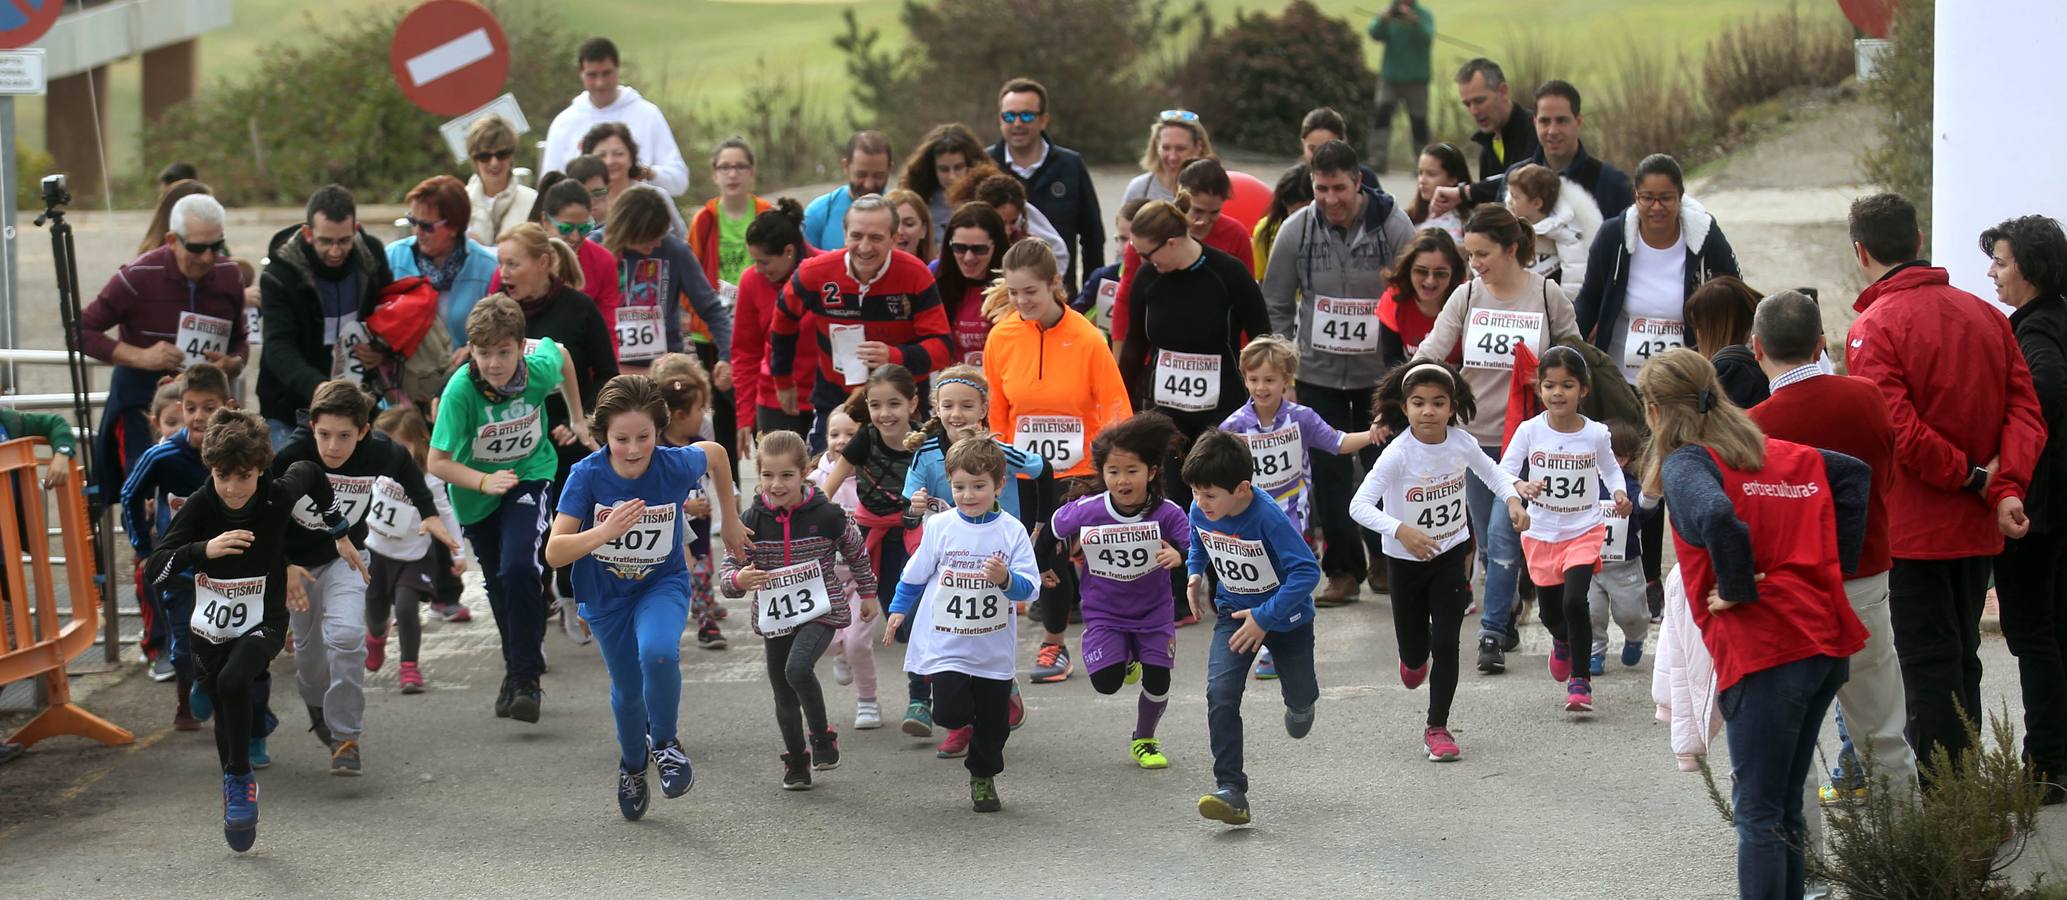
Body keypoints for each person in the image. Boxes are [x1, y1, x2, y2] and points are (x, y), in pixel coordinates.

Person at [1640, 347, 1871, 900]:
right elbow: (1856, 477)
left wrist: (1739, 588)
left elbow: (1719, 517)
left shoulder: (1688, 464)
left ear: (1653, 410)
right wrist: (1831, 568)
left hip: (1767, 650)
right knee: (1784, 807)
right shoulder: (1779, 454)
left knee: (1761, 815)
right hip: (1824, 644)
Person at [1846, 193, 2045, 777]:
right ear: (1918, 239)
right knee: (1962, 662)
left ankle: (1943, 808)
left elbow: (1898, 431)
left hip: (1915, 529)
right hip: (1978, 526)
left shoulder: (1874, 326)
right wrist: (2003, 485)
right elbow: (2025, 411)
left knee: (1928, 667)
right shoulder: (1985, 315)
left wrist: (1977, 478)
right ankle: (1964, 795)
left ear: (1861, 251)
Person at [145, 408, 359, 852]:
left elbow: (315, 475)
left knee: (234, 679)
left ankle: (239, 782)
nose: (233, 488)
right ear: (212, 469)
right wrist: (205, 548)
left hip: (264, 618)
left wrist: (339, 530)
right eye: (224, 476)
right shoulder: (203, 504)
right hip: (209, 626)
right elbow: (155, 570)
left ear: (261, 470)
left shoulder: (278, 494)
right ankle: (234, 781)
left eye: (244, 476)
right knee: (224, 695)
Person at [1746, 288, 1920, 800]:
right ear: (1822, 343)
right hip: (1865, 576)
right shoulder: (1867, 396)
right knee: (1884, 730)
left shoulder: (1756, 426)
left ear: (1757, 348)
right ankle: (1907, 859)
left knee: (1792, 744)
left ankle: (1805, 876)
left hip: (1793, 589)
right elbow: (1885, 477)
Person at [545, 375, 743, 819]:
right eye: (621, 439)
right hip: (606, 596)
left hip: (663, 583)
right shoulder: (586, 475)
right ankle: (633, 766)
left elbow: (716, 454)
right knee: (628, 691)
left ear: (659, 429)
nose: (633, 449)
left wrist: (729, 519)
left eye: (644, 437)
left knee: (657, 652)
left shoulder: (671, 465)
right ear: (603, 435)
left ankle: (667, 744)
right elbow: (555, 552)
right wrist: (604, 532)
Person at [1413, 204, 1582, 673]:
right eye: (1471, 255)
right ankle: (1506, 612)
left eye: (1483, 254)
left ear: (1512, 249)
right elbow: (1431, 349)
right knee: (1486, 543)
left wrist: (1548, 380)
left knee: (1502, 537)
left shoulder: (1548, 296)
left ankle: (1489, 633)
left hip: (1526, 440)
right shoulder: (1466, 296)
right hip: (1472, 436)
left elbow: (1576, 357)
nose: (1476, 264)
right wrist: (1404, 389)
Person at [272, 381, 458, 775]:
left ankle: (346, 737)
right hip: (296, 566)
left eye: (344, 436)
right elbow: (265, 514)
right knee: (309, 657)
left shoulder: (379, 452)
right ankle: (318, 706)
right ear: (313, 427)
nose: (332, 447)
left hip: (347, 557)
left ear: (363, 432)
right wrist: (284, 563)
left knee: (346, 636)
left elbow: (409, 469)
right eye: (324, 435)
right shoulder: (292, 455)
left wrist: (427, 513)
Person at [426, 296, 594, 723]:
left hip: (530, 474)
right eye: (484, 354)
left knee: (520, 566)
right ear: (472, 352)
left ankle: (526, 678)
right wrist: (484, 480)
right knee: (501, 584)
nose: (495, 364)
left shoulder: (537, 370)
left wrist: (577, 416)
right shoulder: (461, 392)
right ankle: (515, 671)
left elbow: (564, 354)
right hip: (475, 493)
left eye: (504, 352)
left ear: (520, 347)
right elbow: (437, 462)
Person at [1261, 140, 1414, 604]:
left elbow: (1414, 287)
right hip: (1319, 375)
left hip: (1379, 375)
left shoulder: (1393, 226)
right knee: (1326, 472)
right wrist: (1282, 369)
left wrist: (1407, 361)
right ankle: (1342, 569)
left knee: (1382, 465)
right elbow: (1278, 301)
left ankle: (1384, 556)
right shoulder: (1296, 230)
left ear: (1358, 182)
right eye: (1321, 188)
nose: (1330, 199)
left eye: (1340, 188)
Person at [1352, 360, 1528, 760]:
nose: (1428, 411)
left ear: (1452, 407)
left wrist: (1513, 500)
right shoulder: (1397, 454)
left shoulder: (1462, 443)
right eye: (1418, 403)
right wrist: (1401, 531)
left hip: (1450, 556)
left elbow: (1494, 474)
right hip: (1405, 562)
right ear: (1405, 407)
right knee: (1415, 657)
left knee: (1448, 641)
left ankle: (1438, 727)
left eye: (1437, 402)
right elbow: (1358, 505)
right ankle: (1414, 657)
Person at [1118, 194, 1274, 625]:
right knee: (1169, 497)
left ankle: (1233, 588)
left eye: (1147, 253)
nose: (1143, 262)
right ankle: (1178, 592)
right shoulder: (1149, 280)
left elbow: (1262, 337)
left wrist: (1267, 397)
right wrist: (1127, 407)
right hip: (1165, 407)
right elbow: (1134, 345)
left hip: (1219, 406)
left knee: (1218, 494)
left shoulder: (1228, 274)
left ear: (1172, 241)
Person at [985, 239, 1135, 676]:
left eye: (1030, 291)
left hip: (1081, 469)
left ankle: (1115, 636)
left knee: (1091, 555)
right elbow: (997, 410)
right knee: (1043, 553)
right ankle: (1055, 645)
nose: (1021, 301)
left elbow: (1114, 406)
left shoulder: (1088, 339)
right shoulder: (1002, 337)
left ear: (1055, 284)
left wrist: (1117, 471)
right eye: (1013, 292)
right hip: (1025, 470)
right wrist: (995, 465)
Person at [882, 437, 1040, 812]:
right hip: (947, 641)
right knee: (949, 713)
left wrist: (1005, 580)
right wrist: (897, 610)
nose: (968, 495)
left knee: (994, 725)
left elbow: (1030, 588)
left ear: (999, 485)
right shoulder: (939, 525)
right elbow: (914, 573)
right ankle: (968, 722)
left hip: (992, 646)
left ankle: (982, 777)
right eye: (959, 487)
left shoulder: (1012, 530)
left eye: (978, 486)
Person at [897, 365, 1048, 736]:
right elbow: (906, 512)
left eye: (966, 406)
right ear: (936, 408)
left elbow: (1042, 468)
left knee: (980, 630)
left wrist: (1039, 524)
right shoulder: (926, 454)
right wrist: (914, 509)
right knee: (925, 621)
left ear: (983, 410)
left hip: (993, 557)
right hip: (942, 552)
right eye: (948, 405)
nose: (956, 414)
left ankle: (999, 684)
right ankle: (924, 701)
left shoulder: (997, 451)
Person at [723, 428, 875, 789]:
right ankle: (796, 762)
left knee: (797, 668)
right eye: (768, 475)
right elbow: (730, 567)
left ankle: (822, 735)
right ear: (758, 474)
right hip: (776, 615)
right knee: (782, 688)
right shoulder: (751, 520)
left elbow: (855, 549)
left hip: (821, 609)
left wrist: (867, 592)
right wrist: (739, 581)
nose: (776, 485)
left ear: (803, 473)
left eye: (787, 475)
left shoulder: (826, 513)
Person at [1184, 429, 1322, 825]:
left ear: (1242, 489)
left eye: (1209, 495)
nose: (1200, 502)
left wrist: (1266, 617)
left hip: (1288, 621)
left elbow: (1306, 572)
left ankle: (1301, 702)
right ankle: (1231, 789)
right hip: (1234, 616)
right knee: (1220, 693)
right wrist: (1195, 573)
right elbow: (1198, 538)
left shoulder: (1268, 517)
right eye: (1195, 492)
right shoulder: (1201, 509)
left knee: (1299, 694)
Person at [80, 192, 249, 515]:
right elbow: (80, 330)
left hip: (205, 413)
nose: (207, 256)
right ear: (172, 240)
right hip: (145, 408)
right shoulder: (138, 276)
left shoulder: (229, 275)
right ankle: (146, 559)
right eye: (197, 247)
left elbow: (241, 340)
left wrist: (233, 362)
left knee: (206, 501)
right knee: (144, 499)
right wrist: (139, 356)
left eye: (217, 246)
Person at [1050, 412, 1192, 768]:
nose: (1122, 480)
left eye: (1132, 471)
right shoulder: (1087, 510)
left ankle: (1144, 739)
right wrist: (1048, 564)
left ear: (1152, 472)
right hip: (1105, 613)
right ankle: (1127, 658)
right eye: (1113, 472)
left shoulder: (1168, 513)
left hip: (1154, 612)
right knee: (1107, 683)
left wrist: (1179, 554)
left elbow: (1197, 545)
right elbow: (1052, 529)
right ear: (1102, 474)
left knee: (1158, 680)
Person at [501, 222, 622, 639]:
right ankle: (533, 616)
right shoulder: (501, 311)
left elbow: (607, 374)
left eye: (514, 264)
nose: (505, 273)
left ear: (545, 263)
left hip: (572, 439)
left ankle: (571, 594)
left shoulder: (578, 309)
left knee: (565, 523)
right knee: (524, 533)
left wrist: (584, 419)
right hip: (518, 440)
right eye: (501, 264)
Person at [1983, 216, 2067, 803]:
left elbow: (2045, 394)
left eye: (2003, 262)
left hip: (2039, 510)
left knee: (2034, 633)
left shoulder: (2035, 333)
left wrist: (2005, 462)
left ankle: (2047, 766)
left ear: (2031, 269)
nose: (1993, 272)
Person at [1500, 346, 1630, 713]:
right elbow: (1505, 470)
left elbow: (1610, 469)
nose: (1558, 393)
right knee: (1551, 614)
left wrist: (1618, 491)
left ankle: (1581, 682)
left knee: (1576, 602)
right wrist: (1520, 488)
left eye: (1567, 385)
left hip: (1583, 529)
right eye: (1550, 385)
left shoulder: (1596, 434)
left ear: (1583, 390)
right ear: (1539, 389)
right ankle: (1562, 641)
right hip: (1541, 533)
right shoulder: (1529, 431)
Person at [769, 195, 952, 441]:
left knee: (904, 477)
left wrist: (894, 357)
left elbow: (942, 348)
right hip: (836, 397)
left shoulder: (916, 275)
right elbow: (782, 321)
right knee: (824, 474)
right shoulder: (814, 273)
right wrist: (782, 380)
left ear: (894, 238)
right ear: (844, 235)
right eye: (856, 236)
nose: (864, 247)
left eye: (876, 237)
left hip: (901, 401)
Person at [1222, 336, 1381, 611]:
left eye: (1269, 380)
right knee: (1261, 587)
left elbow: (1338, 442)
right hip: (1249, 518)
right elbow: (1217, 468)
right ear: (1245, 379)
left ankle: (1289, 638)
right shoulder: (1234, 426)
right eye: (1254, 379)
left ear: (1287, 380)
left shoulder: (1302, 417)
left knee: (1292, 585)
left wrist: (1373, 434)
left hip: (1292, 517)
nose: (1261, 387)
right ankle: (1267, 639)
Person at [122, 365, 231, 730]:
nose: (199, 417)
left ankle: (241, 711)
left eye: (209, 408)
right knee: (183, 645)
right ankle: (189, 689)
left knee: (230, 643)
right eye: (191, 408)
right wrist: (143, 547)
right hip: (180, 569)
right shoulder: (163, 456)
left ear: (227, 407)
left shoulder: (239, 451)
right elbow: (129, 496)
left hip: (230, 570)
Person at [1573, 153, 1742, 386]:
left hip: (1686, 384)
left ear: (1680, 197)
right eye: (1647, 198)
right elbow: (1589, 299)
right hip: (1622, 384)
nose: (1656, 207)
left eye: (1666, 198)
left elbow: (1736, 294)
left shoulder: (1705, 236)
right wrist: (1567, 351)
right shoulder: (1613, 236)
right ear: (1636, 197)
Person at [818, 366, 925, 729]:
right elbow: (828, 488)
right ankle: (843, 651)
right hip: (866, 538)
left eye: (894, 403)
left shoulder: (925, 442)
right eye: (876, 404)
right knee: (844, 615)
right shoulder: (865, 439)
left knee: (911, 623)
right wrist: (806, 518)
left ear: (913, 403)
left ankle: (919, 700)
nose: (885, 413)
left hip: (913, 537)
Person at [259, 185, 392, 448]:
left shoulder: (372, 257)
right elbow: (277, 346)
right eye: (325, 241)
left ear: (356, 230)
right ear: (308, 233)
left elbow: (388, 312)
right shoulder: (279, 274)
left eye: (343, 241)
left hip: (358, 403)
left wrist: (381, 349)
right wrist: (318, 388)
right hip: (291, 405)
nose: (335, 251)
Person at [362, 406, 462, 696]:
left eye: (401, 446)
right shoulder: (371, 467)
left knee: (406, 609)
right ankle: (377, 637)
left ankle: (409, 666)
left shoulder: (429, 478)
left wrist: (457, 553)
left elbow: (446, 513)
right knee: (376, 614)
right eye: (387, 445)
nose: (393, 454)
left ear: (419, 442)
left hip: (413, 556)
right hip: (376, 553)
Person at [1437, 80, 1634, 221]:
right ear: (1535, 122)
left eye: (1562, 120)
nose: (1553, 131)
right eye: (1545, 121)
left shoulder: (1612, 183)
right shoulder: (1514, 177)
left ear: (1578, 122)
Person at [601, 187, 732, 377]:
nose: (658, 244)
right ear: (629, 229)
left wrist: (728, 357)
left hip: (665, 373)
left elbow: (711, 308)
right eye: (651, 236)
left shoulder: (675, 251)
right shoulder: (596, 250)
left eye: (661, 235)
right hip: (611, 373)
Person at [990, 77, 1105, 289]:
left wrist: (1092, 294)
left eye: (1026, 115)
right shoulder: (985, 166)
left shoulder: (1070, 165)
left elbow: (1093, 237)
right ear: (1000, 119)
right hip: (999, 296)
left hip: (1059, 294)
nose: (1017, 124)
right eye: (1009, 116)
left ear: (1043, 120)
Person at [649, 352, 730, 652]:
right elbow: (654, 496)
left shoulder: (699, 440)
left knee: (704, 568)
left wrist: (727, 492)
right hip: (673, 525)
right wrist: (685, 508)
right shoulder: (658, 448)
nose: (704, 414)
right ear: (680, 415)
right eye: (700, 408)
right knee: (688, 572)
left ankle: (706, 609)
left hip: (701, 521)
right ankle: (702, 618)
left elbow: (716, 469)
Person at [809, 407, 883, 729]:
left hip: (864, 578)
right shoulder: (813, 481)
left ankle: (867, 701)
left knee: (856, 643)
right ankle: (840, 653)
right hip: (825, 579)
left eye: (850, 434)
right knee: (827, 645)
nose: (841, 441)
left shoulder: (875, 476)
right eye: (834, 434)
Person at [541, 37, 690, 195]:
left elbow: (679, 182)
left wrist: (646, 173)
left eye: (607, 73)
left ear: (617, 67)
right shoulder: (564, 123)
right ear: (581, 73)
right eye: (592, 75)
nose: (600, 83)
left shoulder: (648, 115)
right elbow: (550, 188)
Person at [730, 201, 820, 445]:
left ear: (789, 251)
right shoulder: (751, 281)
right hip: (774, 401)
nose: (757, 269)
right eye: (754, 261)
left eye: (764, 262)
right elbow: (745, 352)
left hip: (823, 399)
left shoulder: (825, 272)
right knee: (778, 482)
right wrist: (745, 416)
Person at [388, 175, 497, 351]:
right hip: (405, 374)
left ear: (454, 227)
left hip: (464, 373)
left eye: (426, 226)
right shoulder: (394, 258)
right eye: (413, 222)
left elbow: (501, 332)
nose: (418, 232)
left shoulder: (487, 269)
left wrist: (473, 348)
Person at [519, 177, 624, 335]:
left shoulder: (603, 260)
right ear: (545, 221)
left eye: (584, 228)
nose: (575, 237)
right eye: (566, 228)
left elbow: (608, 329)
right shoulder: (517, 256)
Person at [1587, 419, 1652, 674]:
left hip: (1624, 563)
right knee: (1591, 611)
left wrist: (1640, 501)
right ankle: (1593, 652)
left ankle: (1635, 637)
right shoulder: (1585, 481)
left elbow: (1644, 507)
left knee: (1631, 613)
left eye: (1620, 456)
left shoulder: (1629, 484)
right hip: (1589, 561)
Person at [687, 137, 771, 296]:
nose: (732, 174)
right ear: (715, 175)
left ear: (752, 172)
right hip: (716, 314)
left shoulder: (767, 215)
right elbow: (689, 274)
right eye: (724, 167)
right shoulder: (704, 219)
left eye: (740, 167)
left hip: (759, 312)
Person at [934, 202, 1011, 372]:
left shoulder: (1014, 287)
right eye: (959, 248)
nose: (968, 257)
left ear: (995, 246)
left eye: (979, 249)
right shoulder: (936, 277)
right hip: (950, 388)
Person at [581, 122, 688, 240]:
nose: (610, 161)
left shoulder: (655, 196)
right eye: (601, 155)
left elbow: (683, 240)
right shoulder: (581, 201)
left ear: (631, 157)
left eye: (619, 154)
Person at [958, 169, 1071, 276]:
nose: (1007, 231)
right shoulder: (965, 240)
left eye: (1013, 222)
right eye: (1001, 222)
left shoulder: (1029, 244)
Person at [1364, 0, 1434, 172]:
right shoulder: (1391, 13)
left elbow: (1427, 38)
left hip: (1416, 79)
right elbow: (1374, 33)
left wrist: (1414, 23)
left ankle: (1422, 161)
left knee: (1418, 121)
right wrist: (1383, 20)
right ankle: (1377, 158)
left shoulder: (1423, 15)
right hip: (1390, 78)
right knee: (1381, 116)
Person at [1378, 228, 1467, 361]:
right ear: (1409, 270)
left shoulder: (1468, 297)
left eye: (1440, 273)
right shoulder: (1394, 297)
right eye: (1421, 271)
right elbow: (1392, 358)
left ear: (1453, 274)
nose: (1430, 281)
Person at [1505, 163, 1600, 287]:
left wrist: (1565, 302)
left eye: (1515, 197)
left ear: (1536, 203)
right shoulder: (1507, 227)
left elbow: (1575, 279)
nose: (1509, 201)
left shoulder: (1565, 234)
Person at [803, 131, 895, 252]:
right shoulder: (818, 213)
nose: (869, 184)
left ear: (889, 169)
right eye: (861, 175)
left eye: (878, 176)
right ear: (846, 166)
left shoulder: (901, 210)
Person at [1685, 276, 1766, 409]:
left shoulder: (1728, 371)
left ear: (1713, 329)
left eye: (1698, 326)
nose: (1697, 335)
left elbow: (1706, 420)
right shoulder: (1765, 359)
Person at [901, 123, 988, 248]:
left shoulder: (987, 198)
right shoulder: (920, 203)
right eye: (944, 169)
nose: (952, 176)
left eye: (958, 167)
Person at [1452, 58, 1535, 182]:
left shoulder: (1535, 132)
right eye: (1467, 104)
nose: (1473, 111)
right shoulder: (1487, 147)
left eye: (1479, 101)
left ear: (1503, 91)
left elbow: (1522, 185)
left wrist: (1467, 192)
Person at [464, 115, 537, 247]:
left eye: (502, 154)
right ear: (474, 159)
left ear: (512, 155)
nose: (494, 163)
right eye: (484, 156)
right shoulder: (459, 202)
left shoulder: (532, 201)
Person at [1175, 159, 1255, 272]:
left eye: (1214, 212)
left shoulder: (1236, 234)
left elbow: (1246, 286)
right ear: (1180, 197)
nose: (1205, 220)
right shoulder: (1160, 229)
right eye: (1198, 211)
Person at [1121, 110, 1214, 204]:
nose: (1172, 157)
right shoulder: (1139, 189)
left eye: (1181, 148)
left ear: (1198, 147)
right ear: (1157, 146)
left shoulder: (1213, 190)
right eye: (1166, 148)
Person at [1294, 108, 1383, 192]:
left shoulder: (1365, 179)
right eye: (1312, 149)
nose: (1319, 156)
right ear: (1303, 145)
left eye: (1327, 148)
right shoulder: (1294, 181)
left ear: (1343, 143)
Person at [1252, 163, 1313, 279]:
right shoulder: (1265, 232)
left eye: (1309, 212)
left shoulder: (1333, 231)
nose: (1303, 219)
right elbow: (1262, 281)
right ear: (1284, 204)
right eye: (1295, 213)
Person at [1407, 143, 1472, 241]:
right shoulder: (1410, 218)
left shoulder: (1469, 220)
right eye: (1420, 173)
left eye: (1431, 174)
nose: (1422, 180)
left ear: (1453, 178)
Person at [886, 189, 937, 263]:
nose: (899, 231)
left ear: (923, 230)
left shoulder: (935, 272)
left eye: (909, 224)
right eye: (893, 223)